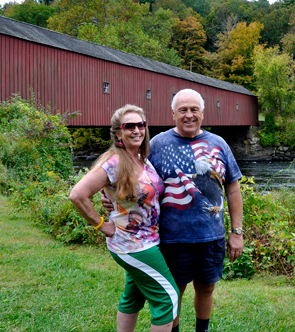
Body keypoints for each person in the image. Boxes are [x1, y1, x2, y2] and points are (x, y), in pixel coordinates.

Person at [103, 89, 244, 332]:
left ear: (202, 112)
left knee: (207, 287)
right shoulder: (156, 144)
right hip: (172, 237)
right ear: (173, 114)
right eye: (183, 110)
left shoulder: (219, 143)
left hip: (211, 236)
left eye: (194, 110)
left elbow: (232, 189)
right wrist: (110, 197)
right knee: (173, 292)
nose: (189, 115)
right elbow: (130, 173)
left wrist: (237, 231)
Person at [70, 104, 179, 332]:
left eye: (141, 125)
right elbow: (78, 195)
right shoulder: (113, 161)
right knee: (168, 299)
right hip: (132, 245)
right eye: (130, 126)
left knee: (133, 297)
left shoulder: (141, 159)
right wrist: (101, 224)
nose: (137, 130)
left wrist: (111, 196)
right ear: (118, 132)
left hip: (145, 242)